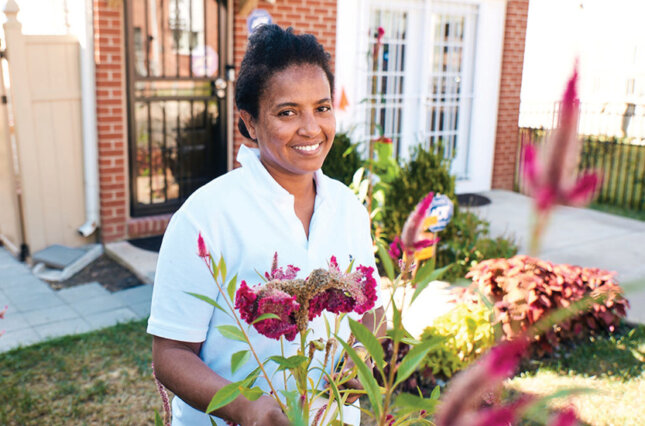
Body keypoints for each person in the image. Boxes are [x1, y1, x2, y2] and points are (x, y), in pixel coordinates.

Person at [148, 24, 386, 426]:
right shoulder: (206, 217)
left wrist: (356, 365)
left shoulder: (347, 207)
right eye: (287, 112)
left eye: (322, 108)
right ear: (250, 122)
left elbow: (371, 312)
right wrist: (245, 408)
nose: (311, 128)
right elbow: (170, 353)